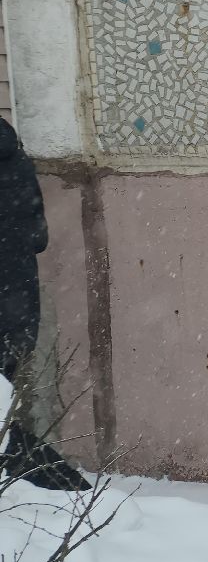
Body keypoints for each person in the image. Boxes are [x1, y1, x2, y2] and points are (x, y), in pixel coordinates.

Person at [0, 116, 89, 491]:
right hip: (17, 297)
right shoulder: (13, 158)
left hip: (13, 295)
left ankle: (24, 465)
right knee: (10, 385)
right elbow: (38, 236)